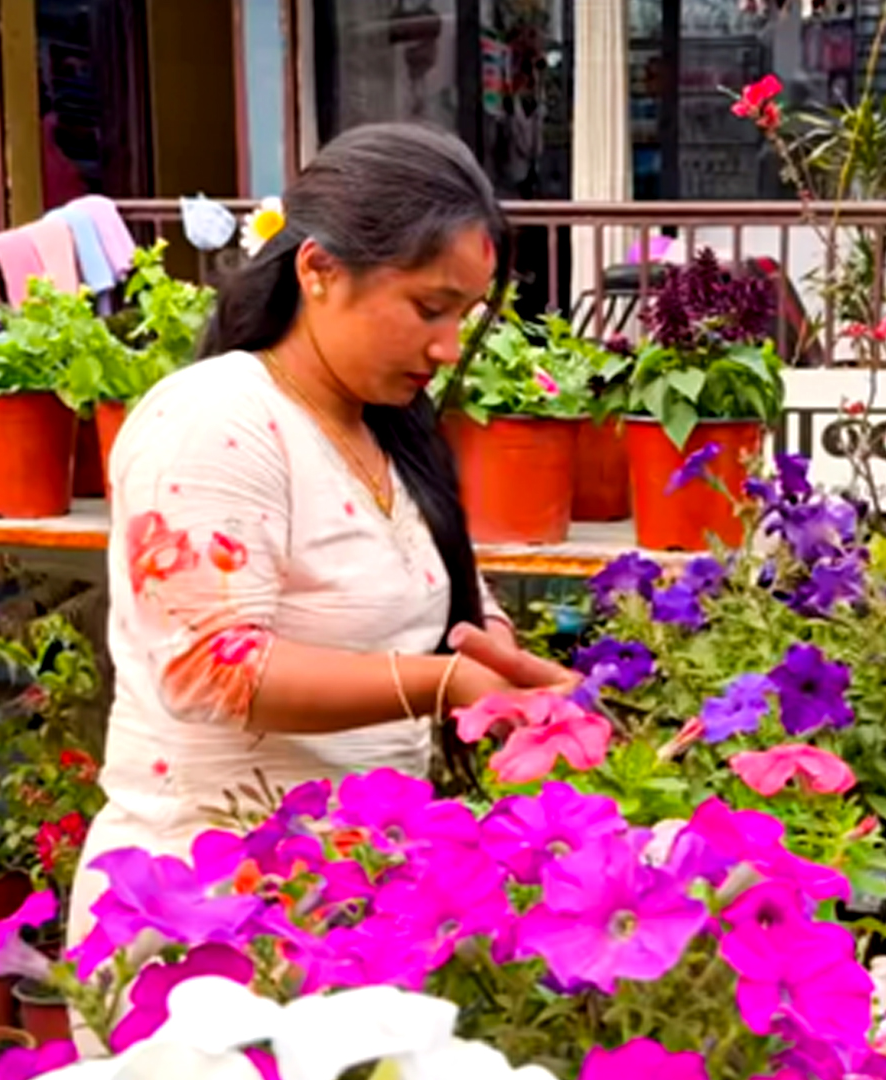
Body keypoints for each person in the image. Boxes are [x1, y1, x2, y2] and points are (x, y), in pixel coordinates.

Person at [68, 123, 576, 977]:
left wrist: (511, 680)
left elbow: (449, 607)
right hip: (207, 912)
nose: (451, 347)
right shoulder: (216, 417)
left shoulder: (387, 430)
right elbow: (215, 668)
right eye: (429, 307)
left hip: (353, 901)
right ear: (318, 271)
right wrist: (446, 682)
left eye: (465, 315)